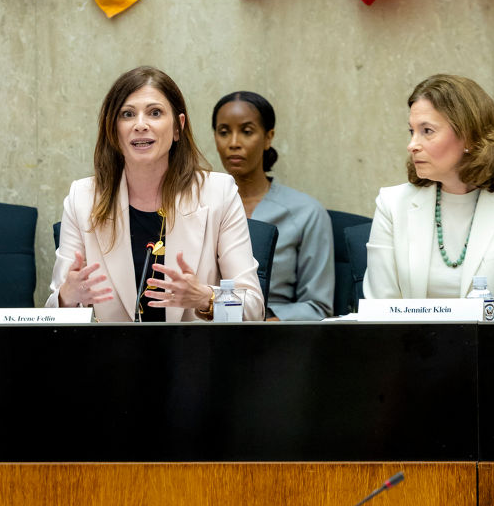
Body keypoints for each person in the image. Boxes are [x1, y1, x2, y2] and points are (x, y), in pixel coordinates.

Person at [46, 66, 264, 321]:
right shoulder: (83, 198)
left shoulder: (219, 194)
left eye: (155, 113)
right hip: (115, 347)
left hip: (194, 347)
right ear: (113, 130)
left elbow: (253, 310)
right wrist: (67, 297)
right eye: (127, 114)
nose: (140, 125)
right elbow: (51, 321)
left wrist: (205, 298)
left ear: (178, 127)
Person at [364, 74, 494, 312]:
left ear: (469, 138)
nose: (412, 145)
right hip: (408, 337)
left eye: (427, 131)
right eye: (412, 131)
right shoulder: (392, 204)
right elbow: (380, 312)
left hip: (493, 338)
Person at [212, 91, 334, 320]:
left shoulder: (306, 212)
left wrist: (266, 326)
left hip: (278, 332)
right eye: (224, 132)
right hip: (208, 326)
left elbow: (318, 306)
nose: (234, 143)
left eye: (247, 132)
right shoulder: (200, 206)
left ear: (268, 137)